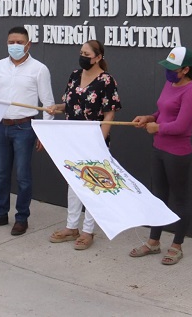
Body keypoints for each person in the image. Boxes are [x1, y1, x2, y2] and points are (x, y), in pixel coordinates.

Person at [46, 40, 121, 251]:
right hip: (72, 140)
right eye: (81, 53)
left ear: (98, 57)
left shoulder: (107, 80)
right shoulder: (74, 75)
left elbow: (109, 113)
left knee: (92, 183)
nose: (82, 57)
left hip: (94, 141)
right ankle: (71, 226)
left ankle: (88, 230)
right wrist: (56, 108)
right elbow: (69, 105)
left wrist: (99, 143)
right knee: (74, 183)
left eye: (87, 54)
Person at [130, 46, 192, 265]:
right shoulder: (170, 83)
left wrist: (158, 128)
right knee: (158, 196)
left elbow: (181, 124)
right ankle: (153, 241)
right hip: (159, 148)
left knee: (179, 199)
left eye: (174, 68)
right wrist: (149, 117)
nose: (168, 72)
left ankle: (177, 245)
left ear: (186, 69)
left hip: (177, 152)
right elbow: (163, 112)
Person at [0, 26, 55, 236]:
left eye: (19, 42)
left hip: (25, 127)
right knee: (2, 174)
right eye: (11, 42)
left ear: (28, 44)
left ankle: (22, 217)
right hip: (0, 126)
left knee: (23, 176)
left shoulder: (39, 69)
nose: (15, 46)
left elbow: (48, 103)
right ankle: (1, 213)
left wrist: (44, 132)